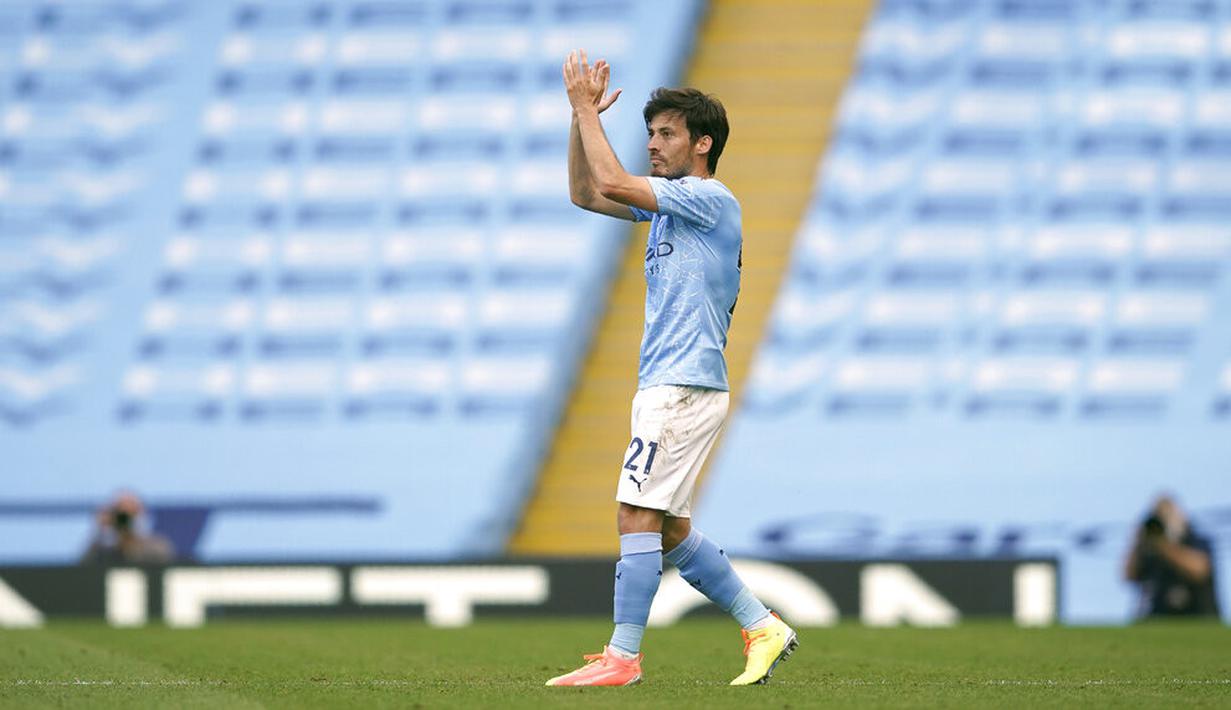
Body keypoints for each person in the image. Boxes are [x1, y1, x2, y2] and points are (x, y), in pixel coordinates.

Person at [545, 50, 797, 688]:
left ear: (702, 143)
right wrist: (583, 124)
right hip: (669, 383)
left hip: (682, 385)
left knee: (634, 514)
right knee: (670, 530)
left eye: (666, 134)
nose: (653, 144)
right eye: (649, 133)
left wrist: (582, 108)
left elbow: (613, 182)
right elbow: (585, 191)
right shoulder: (670, 207)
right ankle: (762, 625)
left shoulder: (709, 199)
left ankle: (623, 657)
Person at [1124, 495, 1220, 618]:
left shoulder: (1196, 539)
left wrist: (1164, 545)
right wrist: (1136, 542)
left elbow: (1200, 569)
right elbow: (1128, 576)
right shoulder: (1148, 547)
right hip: (1156, 618)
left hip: (1198, 617)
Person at [80, 490, 175, 564]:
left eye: (132, 513)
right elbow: (82, 571)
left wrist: (131, 541)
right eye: (121, 515)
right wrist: (99, 530)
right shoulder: (102, 550)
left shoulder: (158, 546)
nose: (125, 520)